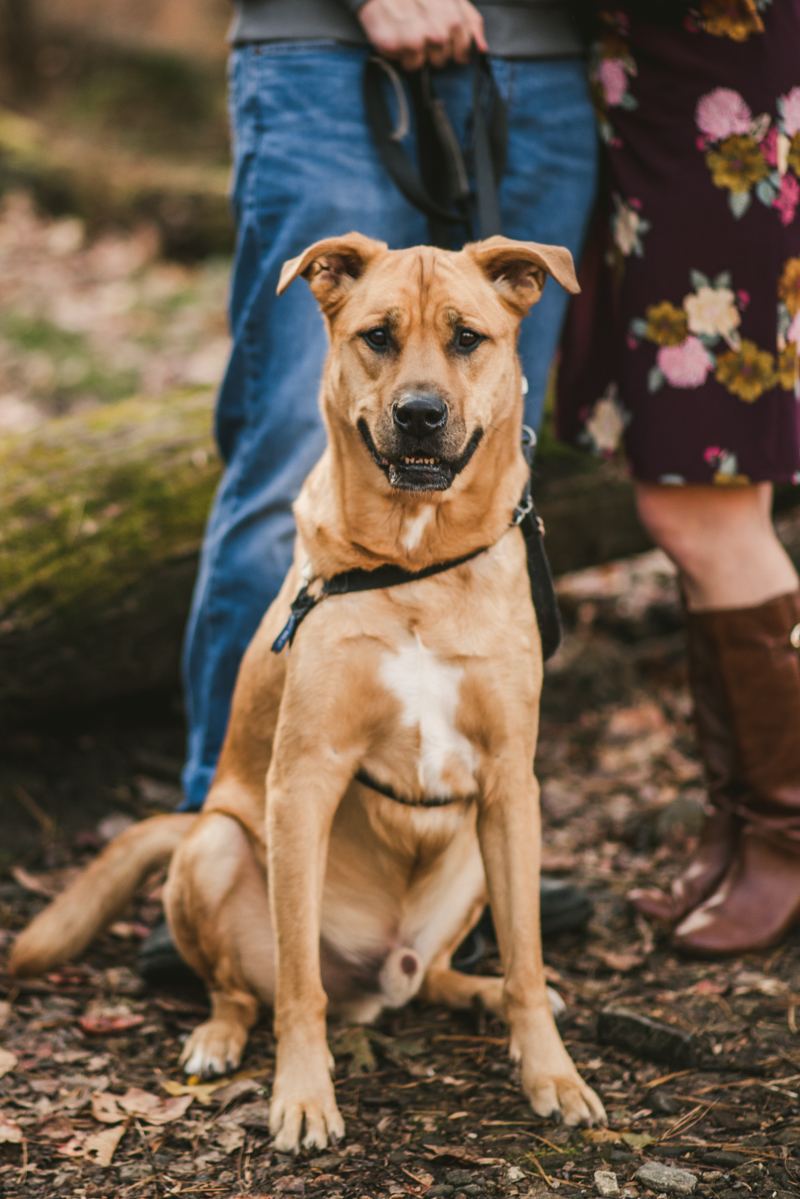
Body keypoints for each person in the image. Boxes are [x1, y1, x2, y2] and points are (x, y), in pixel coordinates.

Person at [180, 0, 598, 810]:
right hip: (328, 46)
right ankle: (230, 821)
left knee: (497, 459)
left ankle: (454, 831)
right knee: (291, 457)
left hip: (547, 57)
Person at [557, 0, 800, 955]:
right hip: (663, 136)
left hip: (723, 135)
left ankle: (785, 837)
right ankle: (739, 821)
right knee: (715, 510)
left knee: (705, 516)